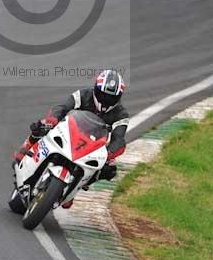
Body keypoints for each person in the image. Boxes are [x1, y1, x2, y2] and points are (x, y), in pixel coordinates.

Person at [13, 69, 129, 208]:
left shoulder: (121, 114)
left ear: (118, 97)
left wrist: (110, 153)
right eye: (103, 95)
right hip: (70, 130)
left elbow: (119, 138)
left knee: (109, 169)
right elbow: (62, 107)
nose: (106, 100)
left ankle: (77, 186)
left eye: (111, 98)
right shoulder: (83, 94)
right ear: (96, 89)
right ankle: (27, 147)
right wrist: (52, 120)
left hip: (93, 144)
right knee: (41, 125)